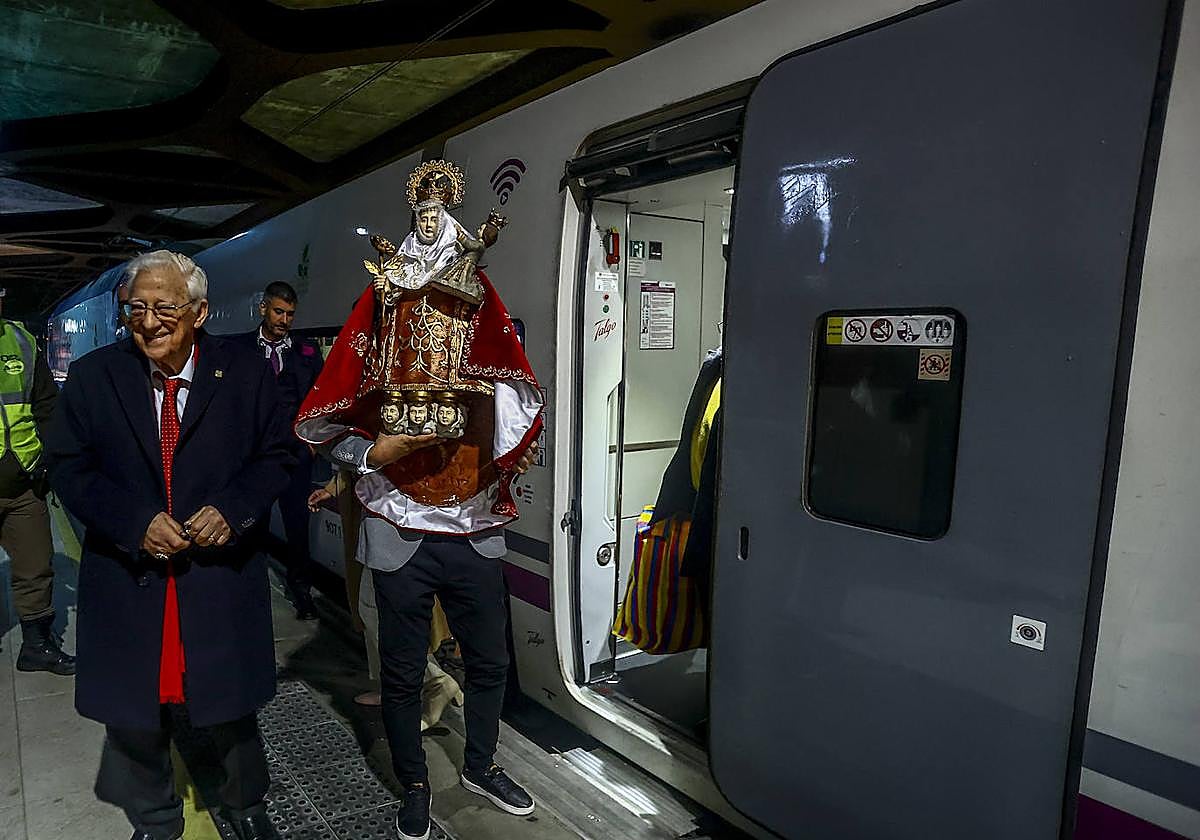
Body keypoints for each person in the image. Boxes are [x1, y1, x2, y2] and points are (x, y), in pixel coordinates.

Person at [297, 160, 543, 840]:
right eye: (422, 210)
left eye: (442, 209)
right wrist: (371, 454)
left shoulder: (482, 314)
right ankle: (413, 783)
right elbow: (329, 418)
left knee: (490, 660)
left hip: (470, 528)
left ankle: (481, 765)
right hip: (398, 526)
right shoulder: (380, 313)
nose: (432, 220)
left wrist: (488, 404)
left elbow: (518, 388)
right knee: (402, 673)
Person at [45, 250, 295, 840]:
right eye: (136, 309)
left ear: (201, 312)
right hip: (131, 576)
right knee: (136, 714)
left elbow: (281, 455)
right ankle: (156, 821)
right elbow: (68, 466)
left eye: (165, 308)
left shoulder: (246, 373)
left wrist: (234, 511)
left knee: (230, 709)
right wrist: (133, 521)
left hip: (217, 574)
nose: (149, 322)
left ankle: (248, 807)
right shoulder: (94, 377)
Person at [309, 476, 463, 722]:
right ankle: (390, 685)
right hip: (386, 513)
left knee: (373, 607)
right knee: (373, 606)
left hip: (390, 517)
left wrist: (338, 482)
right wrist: (335, 485)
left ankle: (434, 680)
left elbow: (373, 454)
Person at [238, 281, 324, 620]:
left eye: (290, 314)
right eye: (278, 312)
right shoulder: (241, 350)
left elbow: (319, 398)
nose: (284, 320)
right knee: (252, 523)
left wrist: (313, 441)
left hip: (294, 455)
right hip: (255, 456)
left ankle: (301, 589)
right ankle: (251, 588)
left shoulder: (307, 351)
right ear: (263, 308)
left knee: (297, 524)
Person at [0, 287, 75, 674]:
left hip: (23, 484)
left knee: (36, 566)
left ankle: (36, 647)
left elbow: (47, 405)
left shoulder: (21, 341)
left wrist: (48, 458)